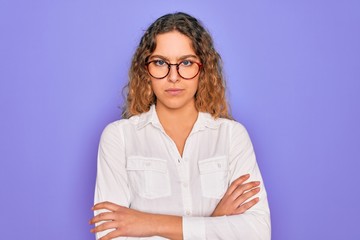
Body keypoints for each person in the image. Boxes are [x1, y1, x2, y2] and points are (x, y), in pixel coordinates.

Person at [89, 12, 271, 240]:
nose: (173, 76)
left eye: (186, 62)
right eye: (160, 62)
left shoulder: (232, 136)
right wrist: (216, 222)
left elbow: (257, 233)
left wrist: (151, 223)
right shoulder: (119, 138)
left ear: (203, 69)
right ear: (145, 70)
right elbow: (110, 235)